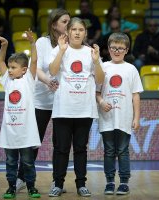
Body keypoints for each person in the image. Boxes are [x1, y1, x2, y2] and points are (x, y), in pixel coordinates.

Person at [48, 17, 104, 197]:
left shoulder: (90, 52)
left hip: (85, 109)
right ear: (68, 32)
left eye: (81, 29)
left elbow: (101, 80)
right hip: (63, 108)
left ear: (85, 33)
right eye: (74, 29)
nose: (78, 32)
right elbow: (52, 71)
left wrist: (96, 61)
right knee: (61, 149)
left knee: (81, 149)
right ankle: (58, 184)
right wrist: (61, 51)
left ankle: (81, 184)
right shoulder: (60, 49)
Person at [15, 8, 70, 193]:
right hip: (40, 100)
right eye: (64, 21)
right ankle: (22, 178)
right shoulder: (42, 42)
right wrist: (48, 81)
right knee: (33, 142)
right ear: (54, 24)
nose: (68, 25)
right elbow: (34, 67)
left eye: (69, 21)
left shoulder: (73, 44)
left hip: (63, 102)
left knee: (60, 145)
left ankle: (57, 183)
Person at [0, 29, 41, 199]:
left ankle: (31, 188)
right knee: (11, 162)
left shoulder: (29, 80)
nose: (10, 70)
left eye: (13, 68)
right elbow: (0, 59)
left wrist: (32, 43)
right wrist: (5, 46)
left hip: (26, 133)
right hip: (9, 133)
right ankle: (11, 188)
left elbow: (34, 60)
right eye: (9, 67)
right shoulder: (7, 80)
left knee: (28, 163)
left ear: (24, 70)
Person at [96, 32, 143, 195]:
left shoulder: (131, 69)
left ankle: (124, 182)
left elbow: (136, 95)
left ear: (127, 50)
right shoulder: (102, 67)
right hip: (107, 117)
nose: (117, 51)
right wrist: (102, 102)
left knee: (123, 150)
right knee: (109, 150)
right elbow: (96, 92)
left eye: (121, 48)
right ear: (108, 49)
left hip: (124, 117)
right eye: (114, 48)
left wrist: (137, 117)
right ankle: (109, 182)